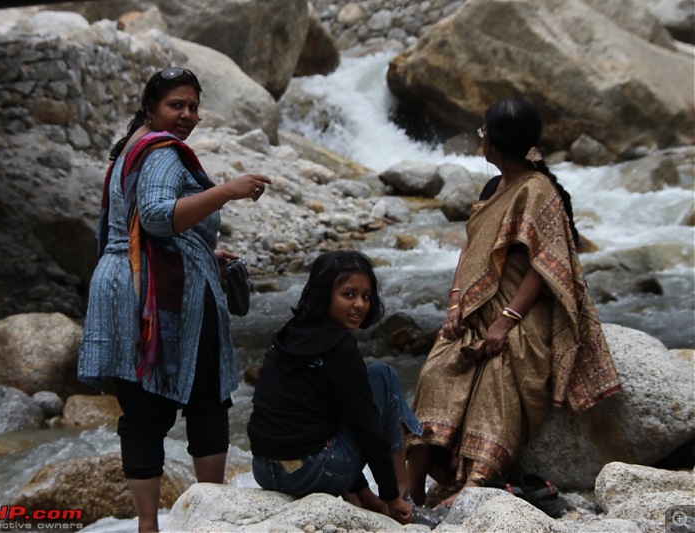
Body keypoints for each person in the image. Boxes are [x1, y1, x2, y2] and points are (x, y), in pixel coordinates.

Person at [77, 66, 271, 532]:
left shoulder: (130, 147)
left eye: (192, 106)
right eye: (176, 105)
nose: (187, 115)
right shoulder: (163, 151)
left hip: (120, 281)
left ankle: (148, 525)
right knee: (207, 401)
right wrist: (228, 190)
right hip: (162, 293)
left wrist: (205, 249)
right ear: (151, 108)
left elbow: (132, 225)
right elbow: (160, 217)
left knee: (142, 414)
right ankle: (213, 516)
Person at [406, 98, 622, 510]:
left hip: (520, 313)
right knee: (436, 372)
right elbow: (470, 250)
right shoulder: (494, 188)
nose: (481, 139)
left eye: (484, 133)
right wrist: (455, 306)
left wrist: (505, 322)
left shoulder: (540, 191)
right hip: (474, 308)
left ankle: (474, 485)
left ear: (498, 145)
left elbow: (545, 266)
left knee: (498, 380)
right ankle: (411, 491)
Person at [247, 250, 436, 526]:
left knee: (338, 407)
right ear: (325, 295)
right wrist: (391, 495)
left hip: (263, 468)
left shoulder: (289, 332)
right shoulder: (339, 347)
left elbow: (327, 418)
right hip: (308, 473)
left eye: (366, 296)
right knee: (384, 377)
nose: (360, 304)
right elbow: (367, 428)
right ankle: (403, 499)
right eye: (349, 295)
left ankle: (365, 498)